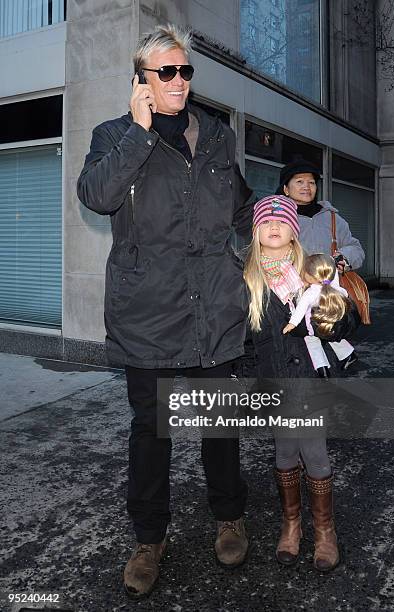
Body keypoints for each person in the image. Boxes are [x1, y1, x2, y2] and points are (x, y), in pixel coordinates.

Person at [77, 24, 253, 597]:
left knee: (220, 426)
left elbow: (245, 208)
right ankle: (149, 537)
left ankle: (229, 517)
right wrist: (139, 132)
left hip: (215, 309)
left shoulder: (219, 137)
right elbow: (98, 196)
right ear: (142, 81)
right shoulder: (113, 135)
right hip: (148, 313)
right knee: (152, 431)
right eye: (167, 72)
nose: (180, 81)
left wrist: (281, 248)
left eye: (185, 71)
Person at [243, 195, 360, 572]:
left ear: (294, 232)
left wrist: (332, 318)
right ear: (255, 230)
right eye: (265, 222)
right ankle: (291, 523)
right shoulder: (245, 276)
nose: (273, 227)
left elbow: (346, 317)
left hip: (310, 378)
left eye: (281, 222)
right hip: (274, 380)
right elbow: (240, 337)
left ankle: (324, 529)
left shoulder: (313, 269)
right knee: (284, 453)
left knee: (315, 452)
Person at [276, 158, 363, 370]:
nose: (307, 186)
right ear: (286, 189)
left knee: (330, 339)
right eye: (300, 181)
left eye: (312, 182)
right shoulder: (278, 218)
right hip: (291, 296)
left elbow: (356, 249)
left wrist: (343, 259)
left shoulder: (332, 218)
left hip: (328, 297)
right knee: (299, 347)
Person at [282, 253, 356, 378]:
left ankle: (322, 368)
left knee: (312, 342)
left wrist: (292, 324)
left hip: (313, 324)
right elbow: (334, 277)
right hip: (332, 321)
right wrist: (331, 261)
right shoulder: (335, 287)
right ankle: (349, 354)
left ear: (310, 275)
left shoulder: (311, 293)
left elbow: (300, 309)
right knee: (331, 337)